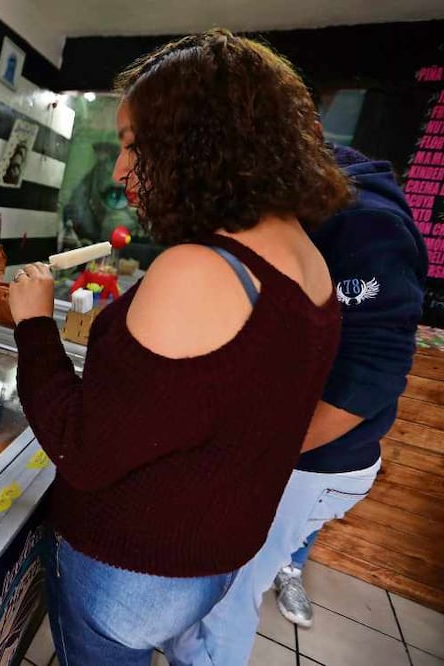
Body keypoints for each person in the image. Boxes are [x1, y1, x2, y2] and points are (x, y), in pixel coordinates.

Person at [6, 29, 350, 664]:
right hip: (214, 560)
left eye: (134, 145)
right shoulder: (307, 258)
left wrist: (33, 323)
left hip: (128, 570)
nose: (118, 168)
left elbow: (81, 449)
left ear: (199, 142)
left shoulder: (197, 269)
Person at [165, 143, 428, 665]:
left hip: (311, 463)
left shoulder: (361, 223)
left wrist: (249, 454)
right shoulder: (284, 210)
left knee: (230, 595)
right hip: (283, 451)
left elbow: (371, 373)